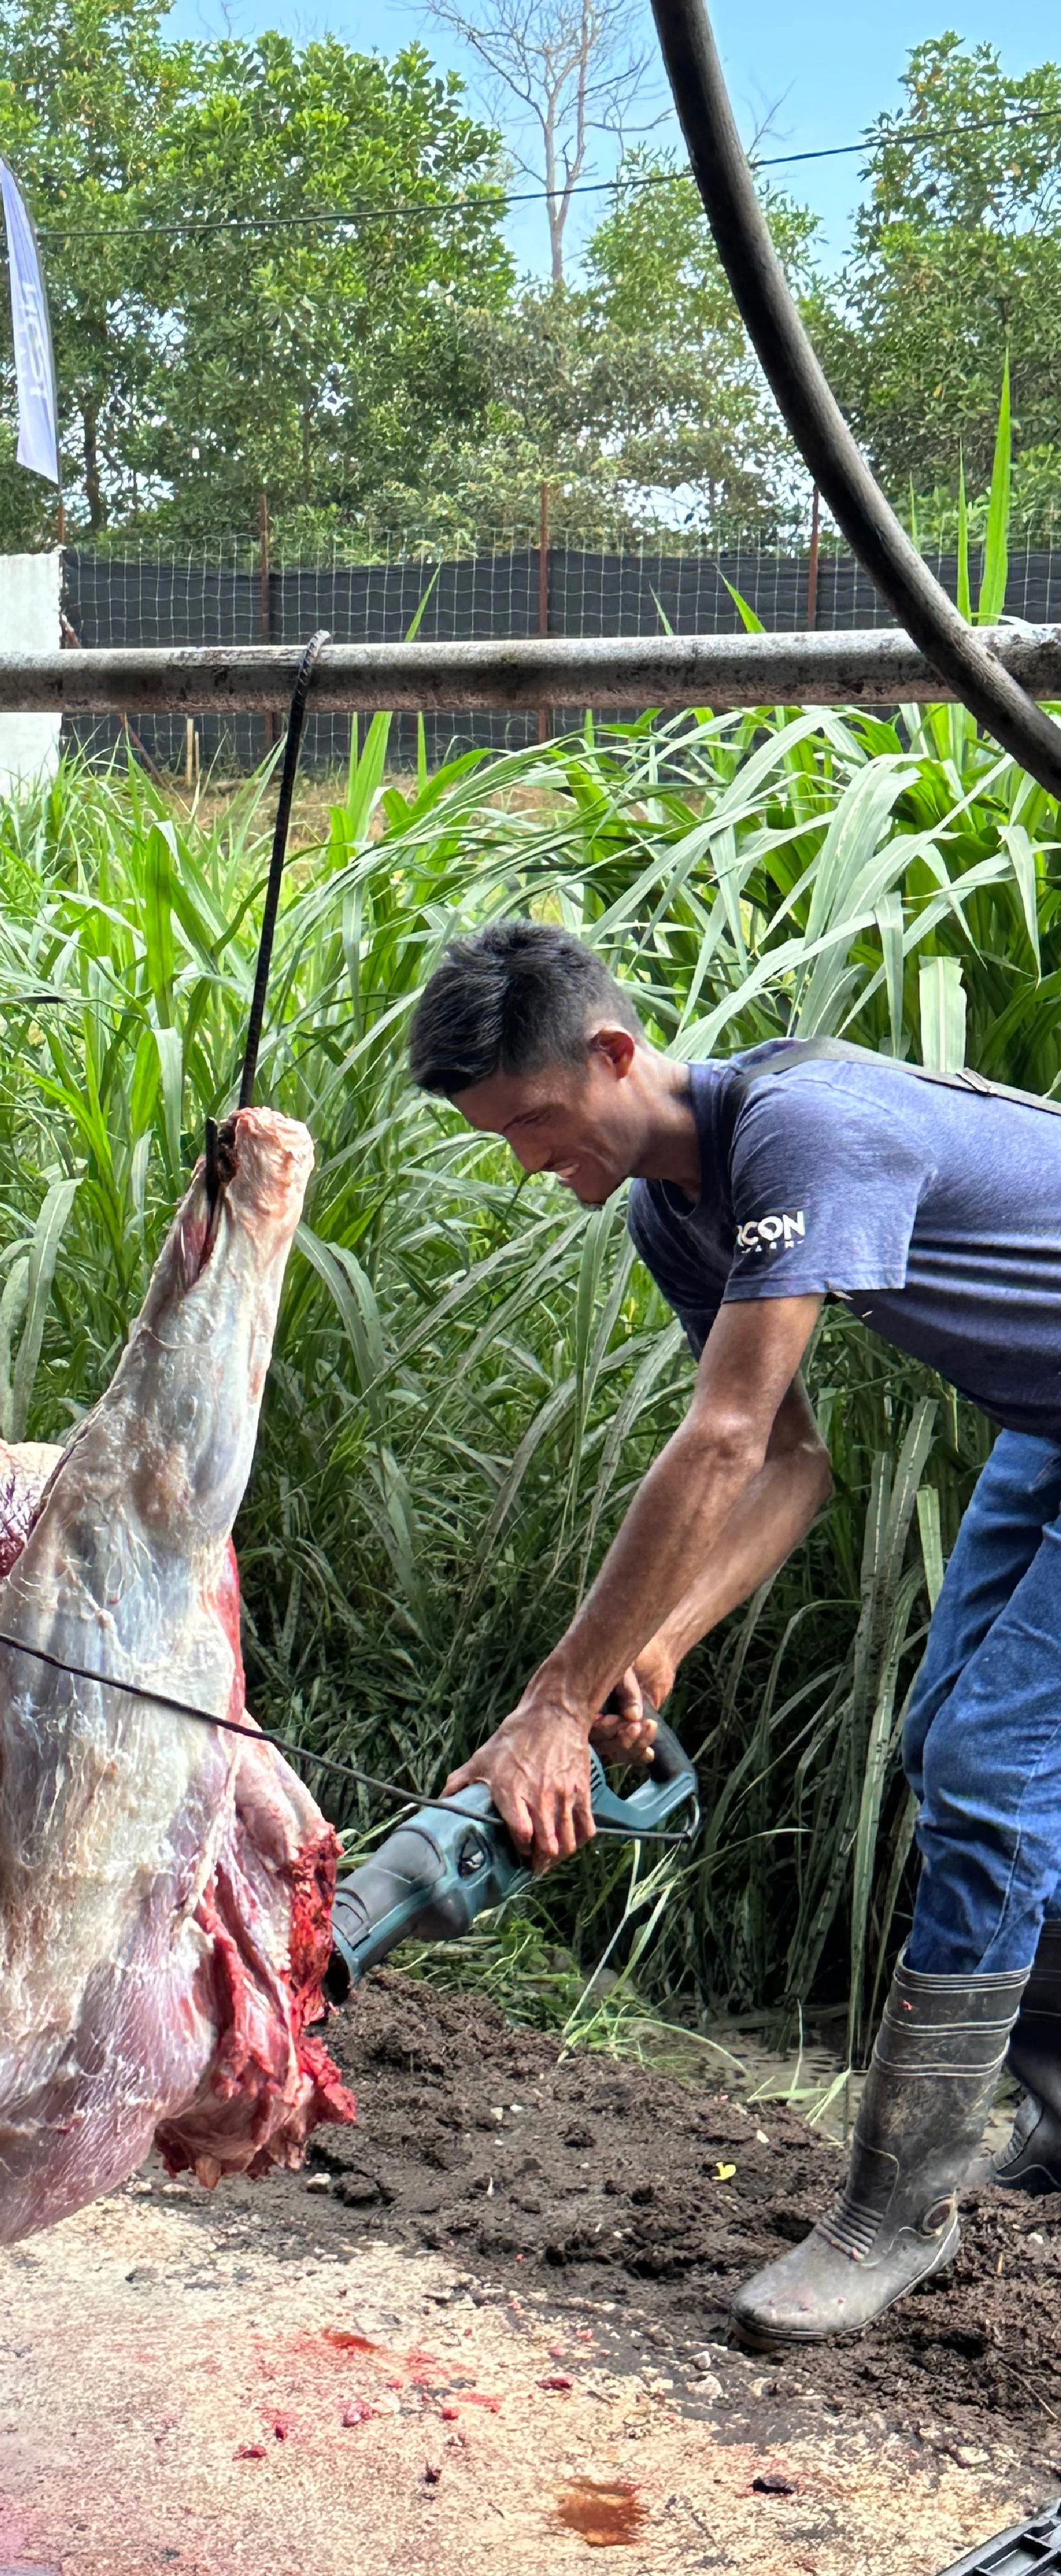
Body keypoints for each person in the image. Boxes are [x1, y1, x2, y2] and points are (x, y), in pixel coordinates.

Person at [409, 919, 1061, 2350]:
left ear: (613, 1053)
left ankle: (902, 2204)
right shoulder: (671, 1208)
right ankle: (1046, 2122)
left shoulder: (801, 1133)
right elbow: (788, 1464)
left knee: (989, 1768)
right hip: (1047, 1417)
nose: (525, 1159)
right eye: (496, 1137)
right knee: (950, 1742)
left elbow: (718, 1435)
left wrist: (553, 1700)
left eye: (530, 1119)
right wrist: (663, 1647)